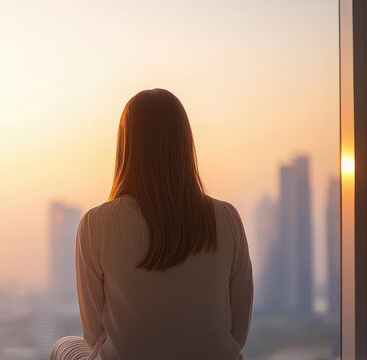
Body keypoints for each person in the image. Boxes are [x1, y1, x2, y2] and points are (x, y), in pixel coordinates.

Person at [50, 89, 253, 360]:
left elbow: (94, 336)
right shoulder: (227, 219)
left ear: (126, 146)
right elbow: (238, 334)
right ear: (184, 143)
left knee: (64, 346)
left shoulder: (95, 225)